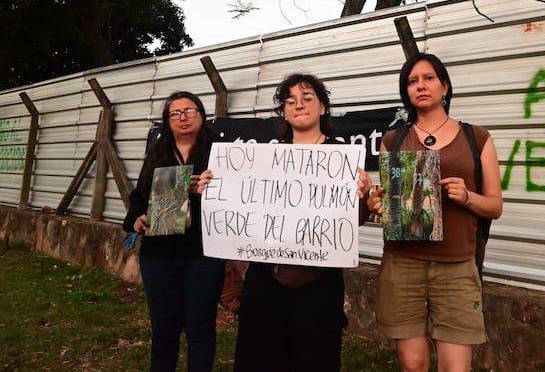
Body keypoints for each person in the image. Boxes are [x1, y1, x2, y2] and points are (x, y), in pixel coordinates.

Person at [197, 73, 358, 372]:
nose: (299, 105)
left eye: (307, 98)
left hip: (318, 283)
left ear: (323, 107)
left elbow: (351, 220)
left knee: (314, 358)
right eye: (290, 101)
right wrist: (214, 186)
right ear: (283, 111)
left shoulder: (342, 157)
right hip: (265, 280)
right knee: (261, 357)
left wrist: (362, 198)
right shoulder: (263, 155)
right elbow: (237, 200)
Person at [359, 53, 504, 372]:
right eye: (412, 81)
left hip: (456, 266)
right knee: (413, 364)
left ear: (445, 87)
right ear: (405, 92)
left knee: (455, 368)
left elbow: (495, 206)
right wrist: (377, 205)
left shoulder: (476, 137)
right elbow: (390, 207)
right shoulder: (393, 141)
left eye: (428, 78)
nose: (420, 86)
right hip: (403, 264)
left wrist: (467, 197)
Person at [122, 91, 225, 372]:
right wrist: (136, 220)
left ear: (202, 115)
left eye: (189, 111)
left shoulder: (221, 155)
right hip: (158, 256)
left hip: (204, 256)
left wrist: (212, 189)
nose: (182, 117)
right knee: (164, 329)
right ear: (167, 121)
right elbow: (138, 199)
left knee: (200, 329)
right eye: (175, 113)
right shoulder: (158, 155)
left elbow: (238, 201)